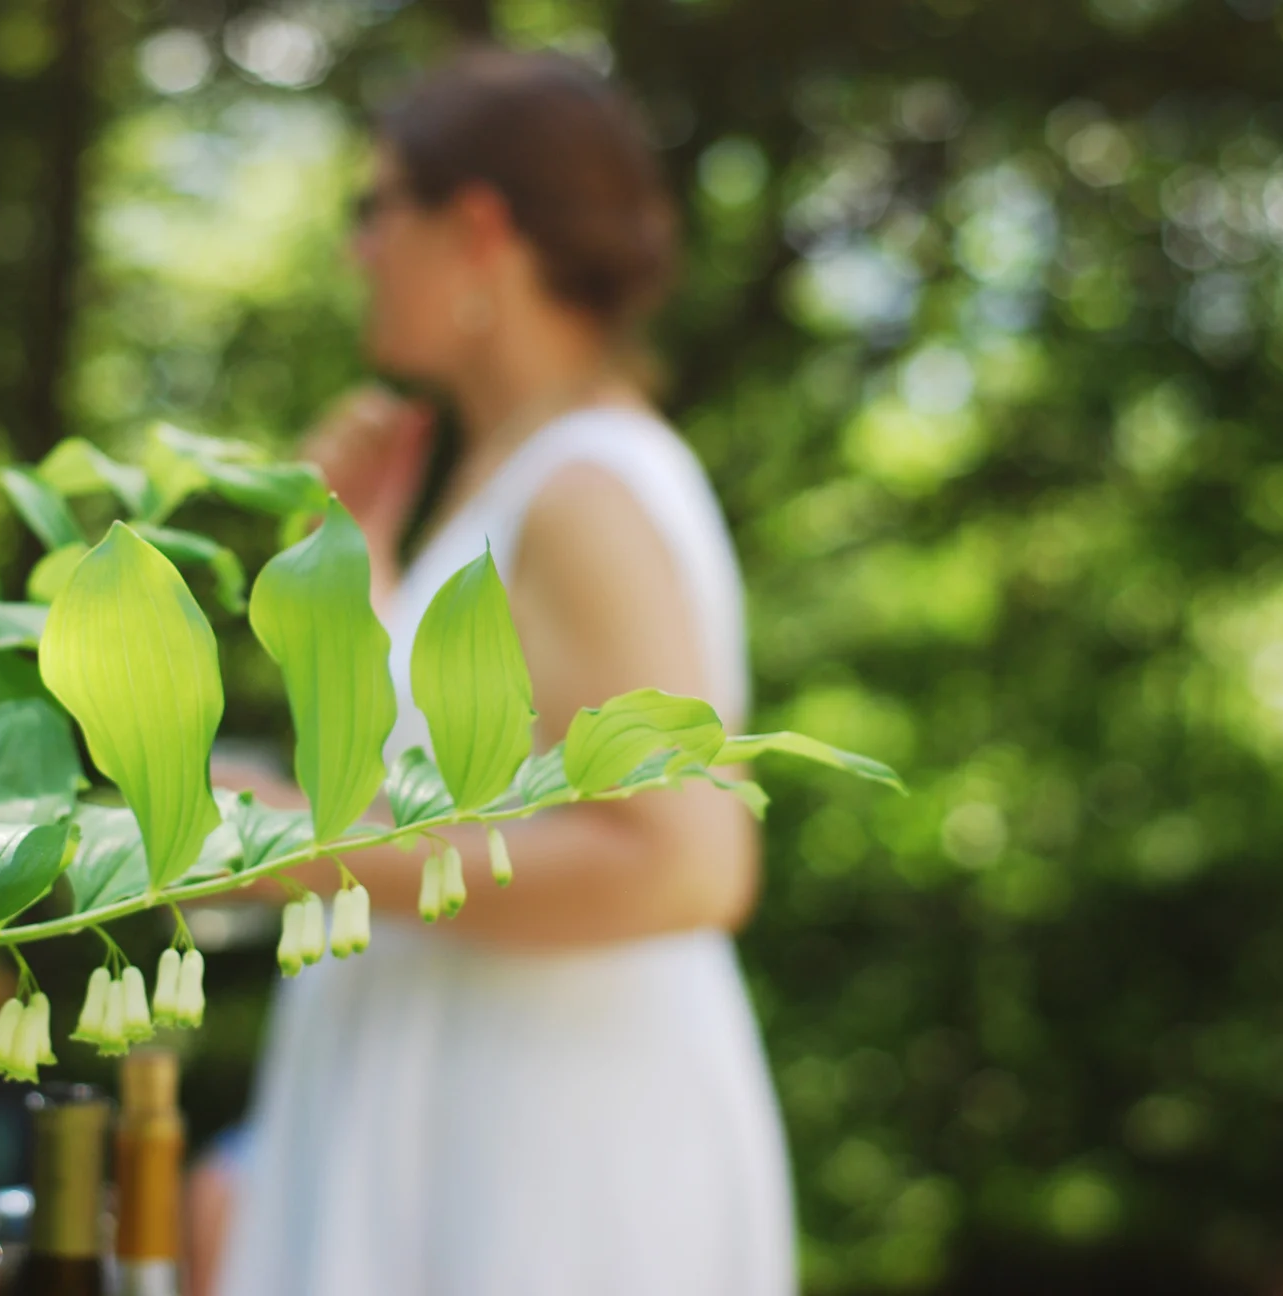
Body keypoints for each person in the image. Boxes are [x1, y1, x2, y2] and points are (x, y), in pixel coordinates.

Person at [208, 47, 796, 1296]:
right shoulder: (502, 475)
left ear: (475, 228)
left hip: (547, 1140)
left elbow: (684, 864)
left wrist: (291, 848)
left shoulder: (586, 488)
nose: (356, 251)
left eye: (374, 211)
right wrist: (348, 579)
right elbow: (428, 787)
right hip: (453, 1095)